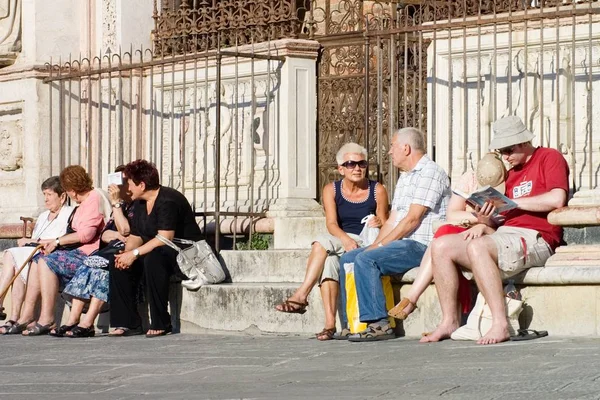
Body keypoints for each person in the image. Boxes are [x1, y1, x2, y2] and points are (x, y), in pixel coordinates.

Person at [421, 115, 569, 345]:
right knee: (440, 246)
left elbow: (557, 198)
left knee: (479, 247)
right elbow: (502, 219)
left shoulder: (549, 157)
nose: (506, 157)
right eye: (502, 151)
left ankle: (500, 323)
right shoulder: (509, 174)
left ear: (523, 142)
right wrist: (484, 219)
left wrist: (516, 202)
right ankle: (449, 320)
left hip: (535, 237)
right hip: (503, 235)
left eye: (509, 149)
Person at [338, 127, 451, 342]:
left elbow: (412, 220)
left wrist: (377, 249)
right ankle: (351, 323)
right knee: (349, 258)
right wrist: (376, 244)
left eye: (392, 146)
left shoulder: (430, 173)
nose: (389, 152)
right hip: (403, 242)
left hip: (421, 245)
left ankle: (379, 323)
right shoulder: (405, 177)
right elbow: (392, 220)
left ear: (406, 148)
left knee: (366, 259)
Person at [275, 143, 389, 340]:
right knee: (329, 263)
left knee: (320, 244)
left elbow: (386, 223)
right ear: (341, 169)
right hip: (342, 239)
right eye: (351, 164)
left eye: (362, 163)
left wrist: (379, 222)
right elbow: (331, 223)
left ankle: (302, 296)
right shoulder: (332, 190)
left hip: (366, 240)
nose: (357, 168)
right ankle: (330, 325)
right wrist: (344, 240)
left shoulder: (377, 189)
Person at [388, 152, 507, 321]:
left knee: (443, 237)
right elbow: (452, 215)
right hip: (465, 229)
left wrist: (483, 224)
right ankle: (418, 301)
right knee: (444, 234)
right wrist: (477, 218)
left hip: (488, 235)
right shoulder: (470, 179)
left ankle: (413, 298)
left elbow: (505, 226)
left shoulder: (512, 181)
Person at [109, 159, 202, 338]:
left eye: (129, 183)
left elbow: (165, 238)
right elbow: (136, 236)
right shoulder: (140, 203)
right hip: (159, 249)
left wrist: (134, 254)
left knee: (154, 258)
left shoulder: (168, 199)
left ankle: (161, 321)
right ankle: (129, 322)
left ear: (141, 184)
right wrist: (126, 255)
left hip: (185, 252)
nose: (126, 188)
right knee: (118, 262)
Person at [14, 166, 105, 336]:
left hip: (89, 253)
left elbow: (86, 234)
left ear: (72, 190)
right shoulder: (83, 203)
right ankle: (32, 316)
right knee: (38, 259)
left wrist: (57, 241)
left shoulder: (93, 199)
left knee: (47, 262)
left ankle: (47, 318)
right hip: (78, 250)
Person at [50, 166, 135, 338]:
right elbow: (106, 233)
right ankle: (74, 319)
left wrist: (116, 204)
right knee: (89, 264)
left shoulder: (134, 206)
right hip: (110, 249)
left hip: (129, 252)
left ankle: (88, 322)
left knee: (101, 270)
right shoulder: (120, 204)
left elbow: (125, 230)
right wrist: (116, 232)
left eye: (124, 182)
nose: (121, 187)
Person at [0, 177, 74, 333]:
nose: (46, 199)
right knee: (13, 257)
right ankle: (14, 317)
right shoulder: (42, 216)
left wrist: (32, 240)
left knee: (13, 255)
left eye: (49, 194)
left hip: (51, 252)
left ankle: (9, 311)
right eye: (44, 195)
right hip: (33, 251)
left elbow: (61, 239)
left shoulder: (69, 213)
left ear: (62, 196)